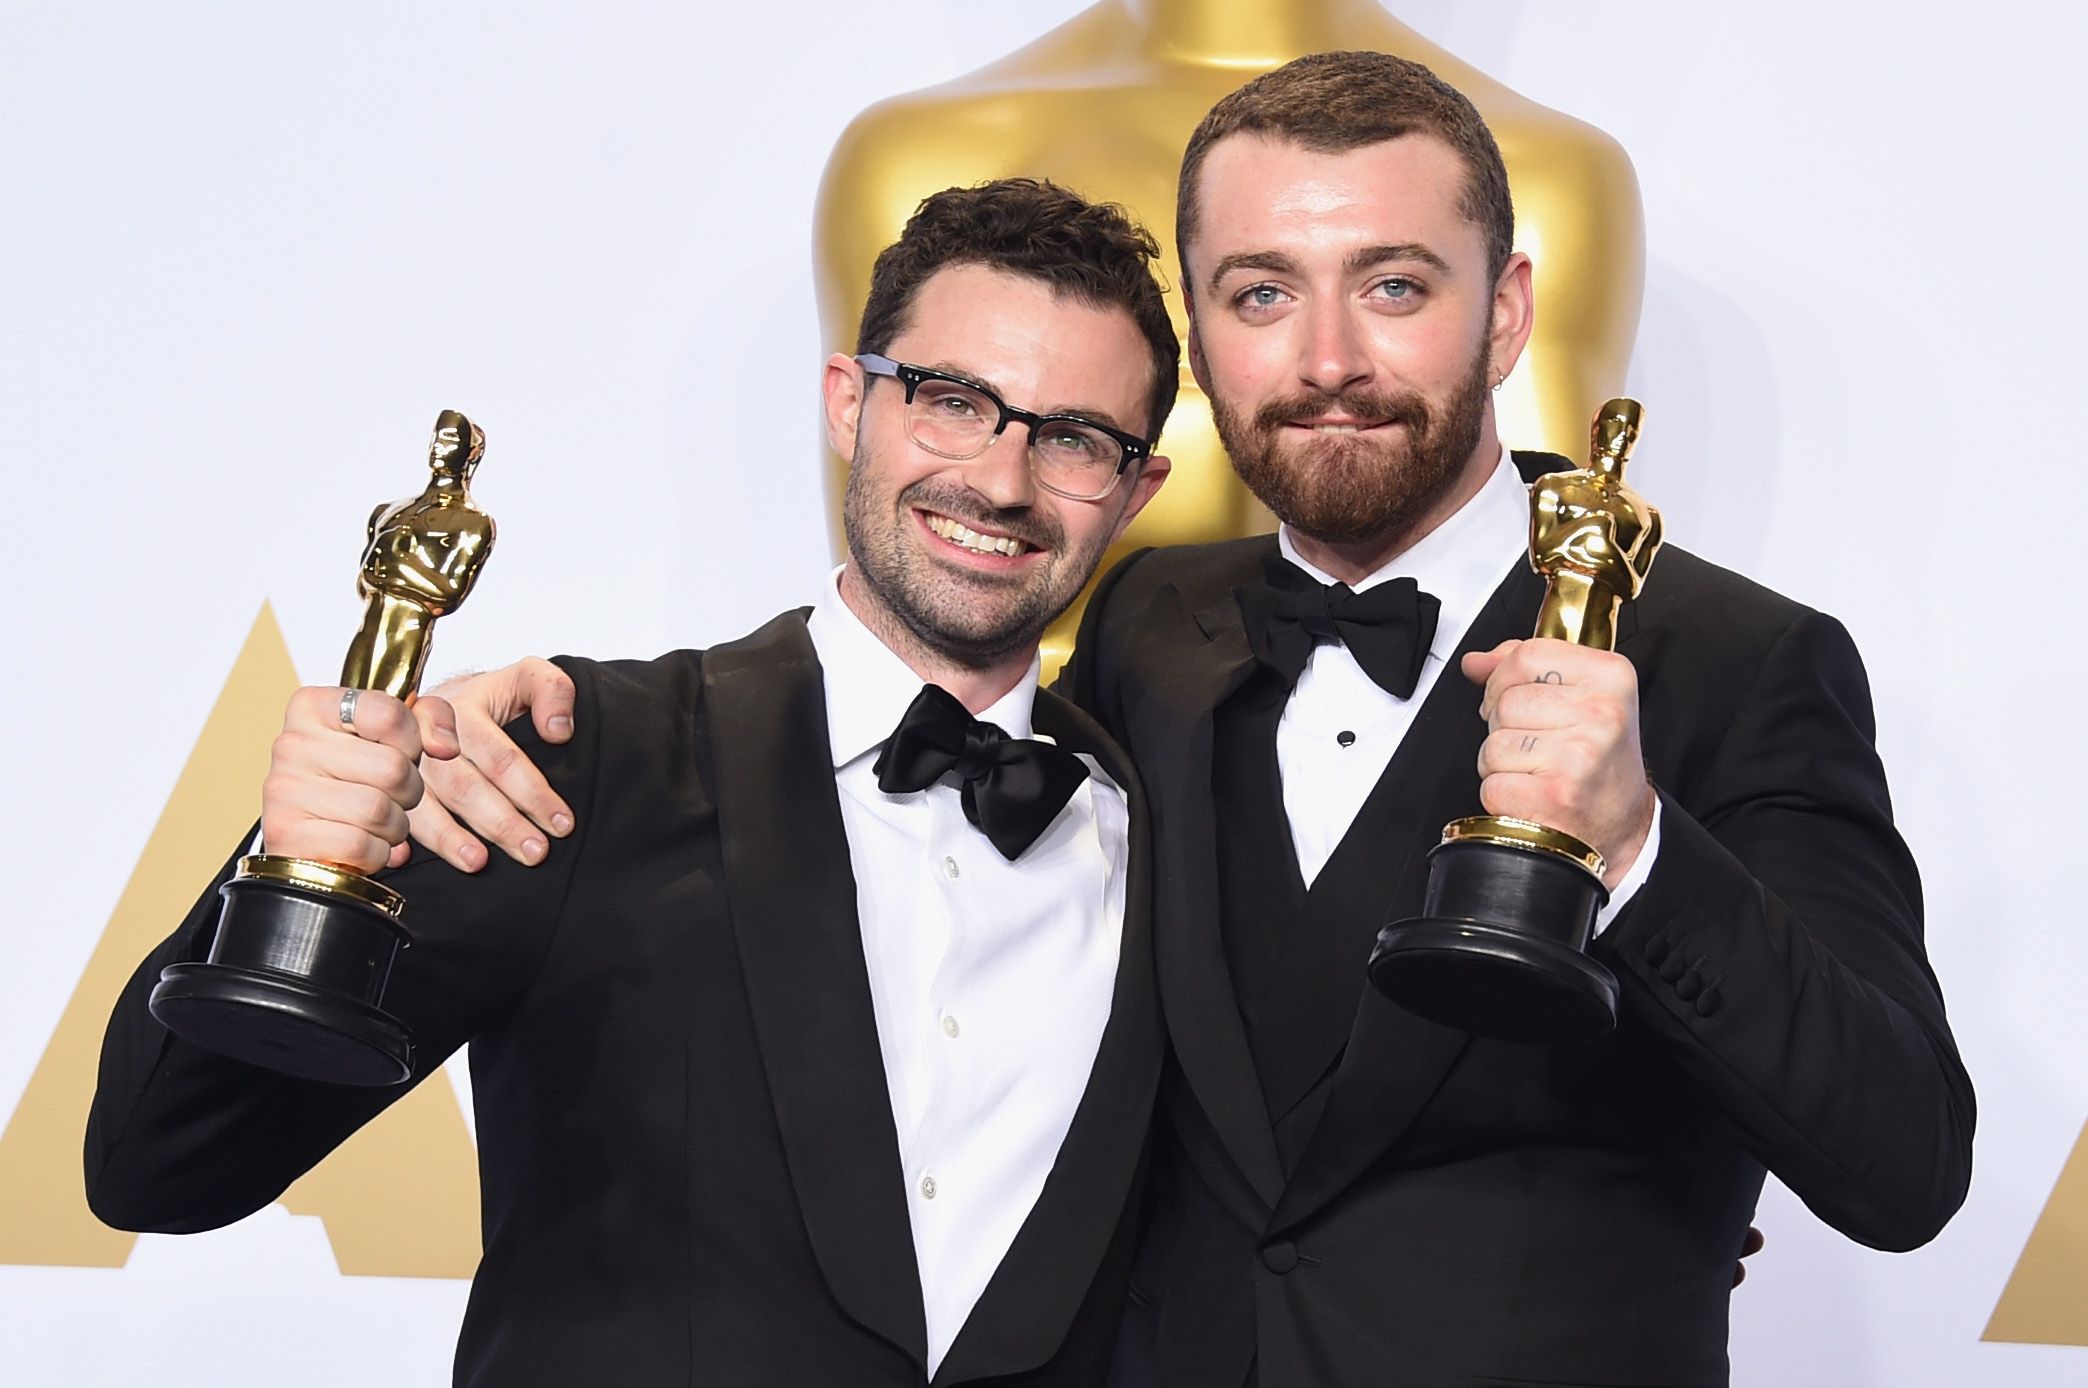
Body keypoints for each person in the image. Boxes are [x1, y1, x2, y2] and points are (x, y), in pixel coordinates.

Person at [415, 53, 1973, 1388]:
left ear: (1505, 315)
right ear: (1202, 351)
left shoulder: (1735, 658)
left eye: (1395, 286)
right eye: (1260, 296)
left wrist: (1640, 850)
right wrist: (516, 720)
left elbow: (1903, 1157)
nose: (1329, 361)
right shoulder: (1152, 623)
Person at [85, 177, 1176, 1387]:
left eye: (1075, 438)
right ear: (848, 402)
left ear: (1137, 490)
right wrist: (301, 858)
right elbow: (161, 1162)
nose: (1004, 480)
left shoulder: (1164, 827)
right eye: (954, 401)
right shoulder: (561, 757)